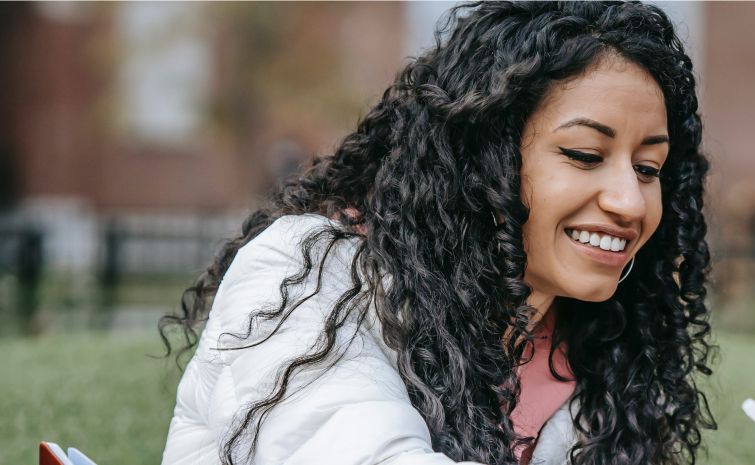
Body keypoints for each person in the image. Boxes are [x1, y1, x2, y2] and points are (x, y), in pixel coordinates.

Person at [158, 2, 713, 464]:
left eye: (648, 168)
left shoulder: (596, 348)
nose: (629, 201)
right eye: (585, 154)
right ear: (482, 159)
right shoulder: (310, 276)